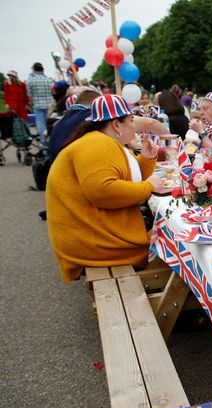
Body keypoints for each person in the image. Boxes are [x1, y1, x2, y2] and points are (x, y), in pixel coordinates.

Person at [46, 94, 164, 282]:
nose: (134, 127)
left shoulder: (100, 140)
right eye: (131, 121)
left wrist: (147, 158)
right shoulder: (97, 144)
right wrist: (148, 186)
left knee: (166, 229)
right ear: (116, 124)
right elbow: (103, 191)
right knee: (168, 233)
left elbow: (127, 178)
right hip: (94, 242)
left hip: (90, 233)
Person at [26, 62, 54, 144]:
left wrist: (31, 103)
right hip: (49, 104)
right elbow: (52, 91)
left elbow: (29, 94)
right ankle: (50, 139)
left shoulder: (30, 80)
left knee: (40, 123)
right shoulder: (48, 79)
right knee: (48, 122)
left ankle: (43, 141)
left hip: (37, 104)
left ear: (34, 69)